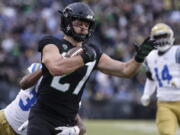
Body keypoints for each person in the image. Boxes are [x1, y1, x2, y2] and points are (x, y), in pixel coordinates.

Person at [27, 2, 157, 135]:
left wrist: (139, 58)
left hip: (69, 122)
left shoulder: (92, 52)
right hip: (43, 117)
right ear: (67, 21)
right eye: (79, 23)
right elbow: (56, 68)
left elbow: (125, 70)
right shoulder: (51, 43)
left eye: (86, 25)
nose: (83, 28)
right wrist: (84, 58)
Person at [0, 63, 86, 135]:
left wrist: (74, 130)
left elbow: (81, 127)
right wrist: (45, 68)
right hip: (6, 118)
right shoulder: (39, 68)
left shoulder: (70, 95)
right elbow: (23, 84)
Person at [141, 23, 180, 135]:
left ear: (171, 36)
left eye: (164, 36)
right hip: (164, 102)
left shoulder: (177, 52)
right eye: (158, 37)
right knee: (166, 132)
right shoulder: (150, 57)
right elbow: (151, 78)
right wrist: (147, 94)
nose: (161, 40)